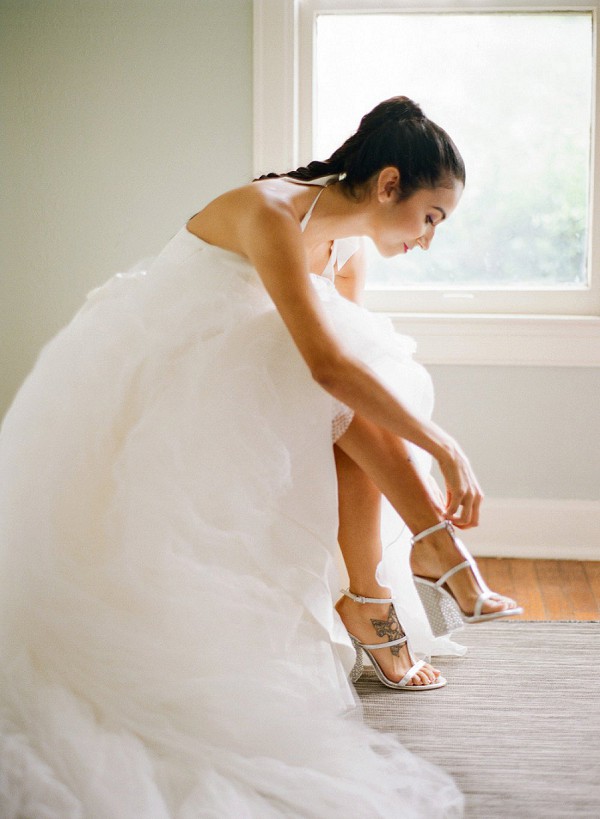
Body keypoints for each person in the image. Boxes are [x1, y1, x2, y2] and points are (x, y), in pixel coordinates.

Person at [0, 96, 520, 817]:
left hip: (264, 380)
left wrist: (420, 434)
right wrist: (445, 445)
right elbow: (325, 364)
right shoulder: (271, 211)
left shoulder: (347, 246)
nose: (429, 240)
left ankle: (389, 584)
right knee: (322, 371)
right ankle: (425, 560)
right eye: (431, 217)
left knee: (354, 384)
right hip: (173, 378)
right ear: (388, 184)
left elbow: (344, 370)